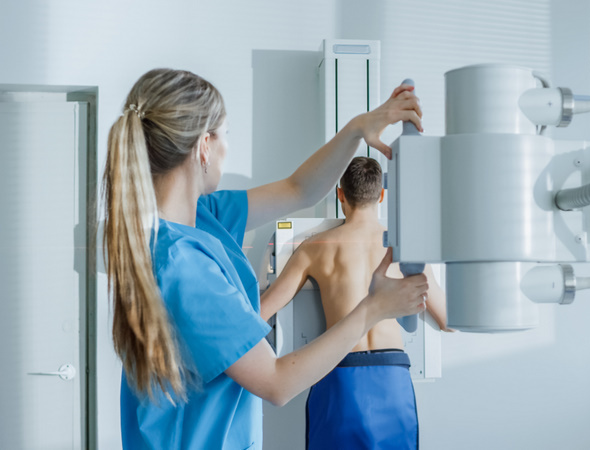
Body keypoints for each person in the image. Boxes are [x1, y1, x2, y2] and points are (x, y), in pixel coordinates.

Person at [103, 68, 428, 449]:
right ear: (204, 146)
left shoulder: (205, 215)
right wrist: (373, 308)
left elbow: (300, 188)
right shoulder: (182, 265)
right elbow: (275, 381)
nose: (228, 147)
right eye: (226, 135)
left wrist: (359, 128)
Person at [260, 156, 450, 450]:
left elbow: (261, 313)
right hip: (392, 377)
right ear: (381, 195)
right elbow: (448, 322)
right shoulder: (406, 247)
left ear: (341, 194)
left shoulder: (314, 249)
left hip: (336, 371)